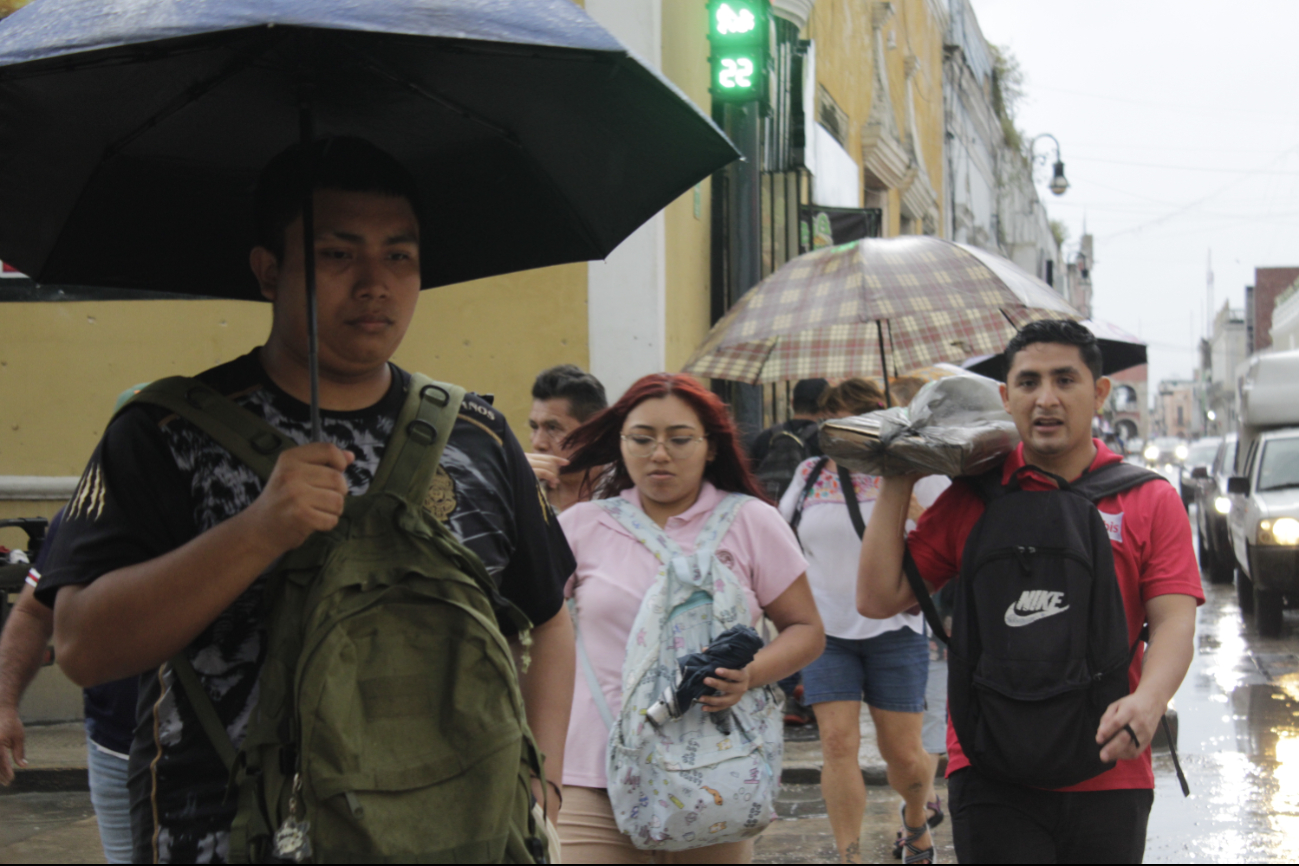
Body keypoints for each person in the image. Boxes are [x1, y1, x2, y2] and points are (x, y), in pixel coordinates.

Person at [36, 137, 576, 865]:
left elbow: (547, 614)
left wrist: (540, 779)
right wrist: (257, 531)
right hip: (227, 836)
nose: (375, 283)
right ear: (268, 270)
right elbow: (83, 648)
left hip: (457, 833)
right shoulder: (166, 434)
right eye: (336, 255)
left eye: (399, 257)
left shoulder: (477, 436)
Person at [858, 320, 1201, 864]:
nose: (1046, 399)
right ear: (1005, 396)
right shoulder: (974, 497)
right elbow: (878, 599)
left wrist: (1149, 701)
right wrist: (897, 475)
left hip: (1110, 764)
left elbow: (1175, 621)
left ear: (1100, 392)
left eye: (1065, 380)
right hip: (989, 766)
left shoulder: (1148, 498)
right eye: (1029, 382)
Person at [556, 373, 826, 864]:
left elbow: (805, 630)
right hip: (592, 771)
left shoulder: (751, 522)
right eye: (641, 439)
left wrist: (749, 676)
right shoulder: (579, 527)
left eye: (679, 439)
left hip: (716, 769)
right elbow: (529, 629)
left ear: (711, 447)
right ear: (620, 444)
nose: (659, 454)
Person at [779, 379, 948, 865]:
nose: (843, 435)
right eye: (834, 426)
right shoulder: (810, 473)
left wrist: (915, 506)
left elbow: (951, 537)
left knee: (905, 756)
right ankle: (849, 855)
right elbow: (782, 538)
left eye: (855, 423)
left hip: (894, 630)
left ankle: (915, 818)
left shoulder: (913, 473)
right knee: (836, 743)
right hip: (823, 631)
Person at [0, 511, 141, 865]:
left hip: (231, 754)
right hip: (118, 751)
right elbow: (33, 613)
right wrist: (3, 704)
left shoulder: (243, 495)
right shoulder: (91, 509)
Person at [527, 364, 608, 512]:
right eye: (534, 427)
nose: (538, 443)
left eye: (552, 428)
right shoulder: (521, 489)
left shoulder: (625, 488)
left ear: (594, 432)